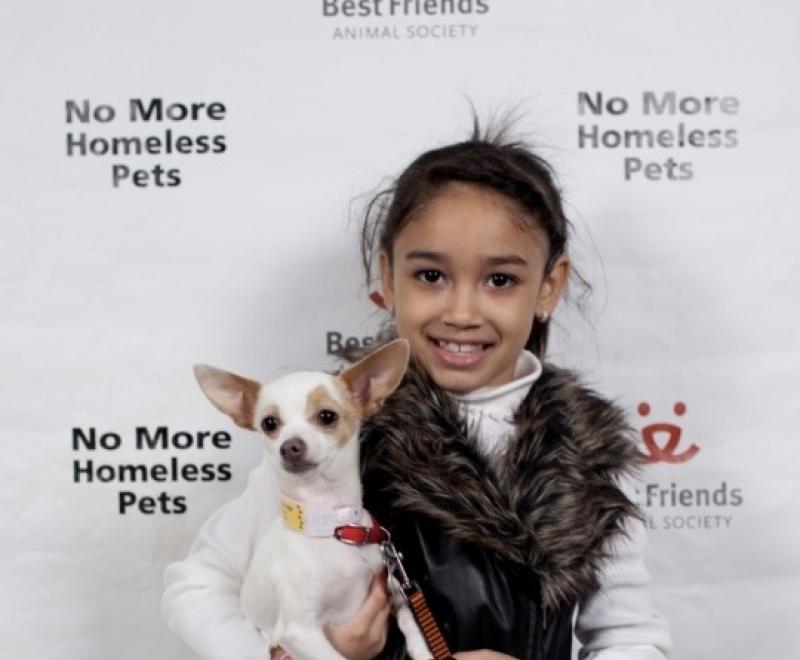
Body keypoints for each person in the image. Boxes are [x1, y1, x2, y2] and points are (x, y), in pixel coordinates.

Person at [162, 118, 672, 660]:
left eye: (500, 280)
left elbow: (631, 638)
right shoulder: (334, 437)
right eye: (431, 275)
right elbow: (197, 586)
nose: (461, 312)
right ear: (387, 277)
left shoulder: (587, 455)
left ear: (548, 287)